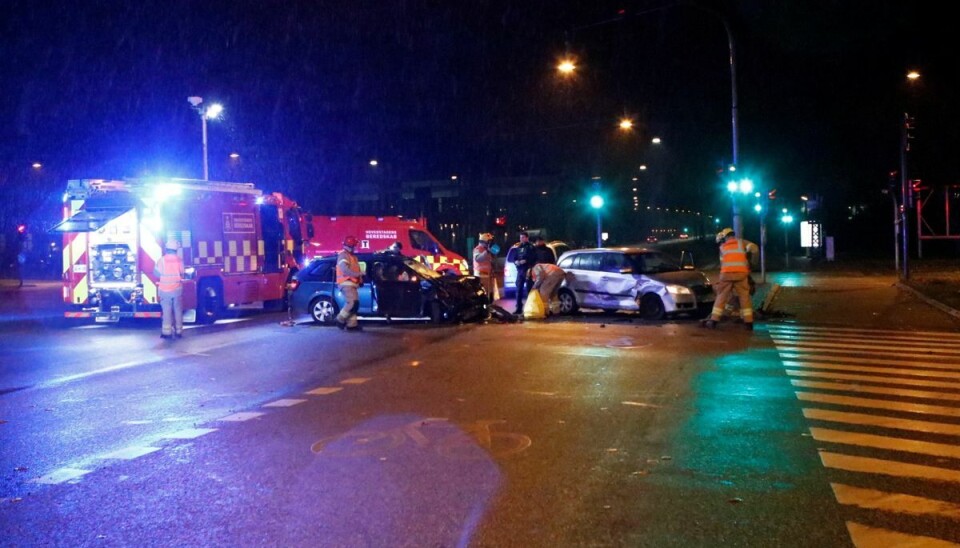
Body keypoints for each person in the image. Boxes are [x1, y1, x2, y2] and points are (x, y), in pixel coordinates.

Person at [702, 228, 759, 331]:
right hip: (741, 274)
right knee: (744, 297)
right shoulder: (742, 243)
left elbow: (722, 264)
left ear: (725, 237)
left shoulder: (722, 247)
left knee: (721, 297)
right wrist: (752, 265)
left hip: (726, 275)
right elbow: (754, 249)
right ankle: (749, 323)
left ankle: (713, 321)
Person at [154, 239, 185, 339]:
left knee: (167, 311)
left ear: (167, 249)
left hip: (165, 290)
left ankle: (166, 333)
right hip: (177, 289)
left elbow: (156, 273)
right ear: (176, 250)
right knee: (178, 310)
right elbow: (182, 273)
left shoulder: (162, 260)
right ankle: (179, 331)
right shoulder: (179, 260)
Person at [335, 236, 363, 331]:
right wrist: (358, 274)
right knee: (352, 303)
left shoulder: (352, 256)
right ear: (350, 246)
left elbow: (355, 269)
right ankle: (340, 319)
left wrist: (360, 280)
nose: (356, 247)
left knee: (354, 304)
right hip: (346, 283)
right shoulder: (343, 255)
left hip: (352, 283)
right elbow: (345, 270)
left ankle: (352, 325)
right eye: (355, 245)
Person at [512, 231, 537, 313]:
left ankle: (530, 307)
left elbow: (534, 258)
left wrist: (526, 261)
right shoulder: (518, 247)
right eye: (520, 237)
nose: (521, 239)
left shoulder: (531, 247)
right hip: (520, 271)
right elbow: (515, 257)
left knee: (529, 290)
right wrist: (516, 262)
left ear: (527, 238)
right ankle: (519, 308)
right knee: (519, 289)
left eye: (523, 237)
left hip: (528, 270)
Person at [473, 233, 496, 299]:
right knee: (483, 294)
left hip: (488, 276)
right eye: (489, 242)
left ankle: (490, 306)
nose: (490, 244)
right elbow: (478, 259)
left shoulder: (487, 250)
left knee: (490, 294)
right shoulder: (478, 249)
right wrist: (487, 251)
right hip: (481, 276)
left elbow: (495, 254)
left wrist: (491, 251)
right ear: (485, 242)